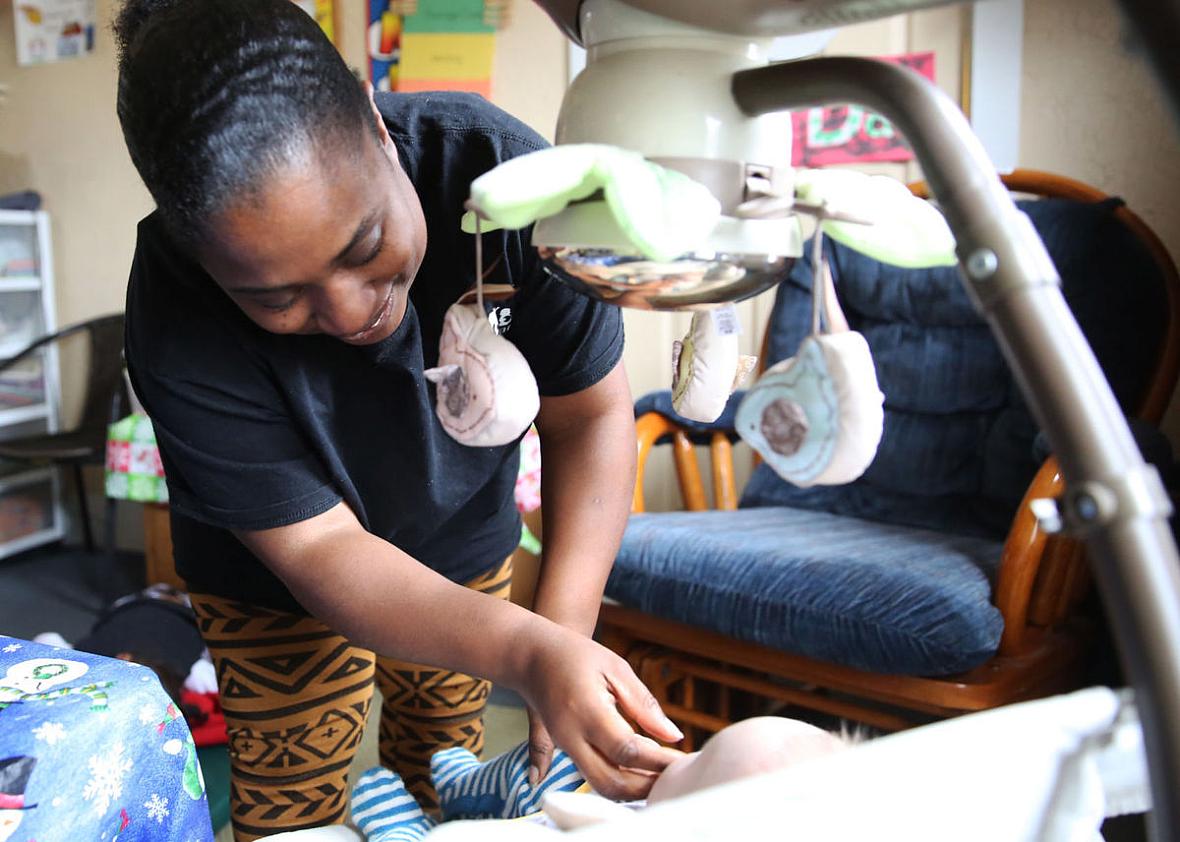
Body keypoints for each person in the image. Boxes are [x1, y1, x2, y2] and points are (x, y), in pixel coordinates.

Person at [113, 0, 683, 838]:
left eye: (362, 244)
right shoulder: (173, 316)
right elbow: (319, 550)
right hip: (274, 586)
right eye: (275, 298)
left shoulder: (504, 178)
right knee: (291, 810)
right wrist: (528, 651)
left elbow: (591, 417)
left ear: (380, 130)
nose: (347, 313)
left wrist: (558, 638)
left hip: (462, 550)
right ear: (203, 260)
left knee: (449, 781)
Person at [350, 716, 854, 840]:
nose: (682, 756)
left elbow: (572, 810)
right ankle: (467, 780)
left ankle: (407, 830)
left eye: (697, 764)